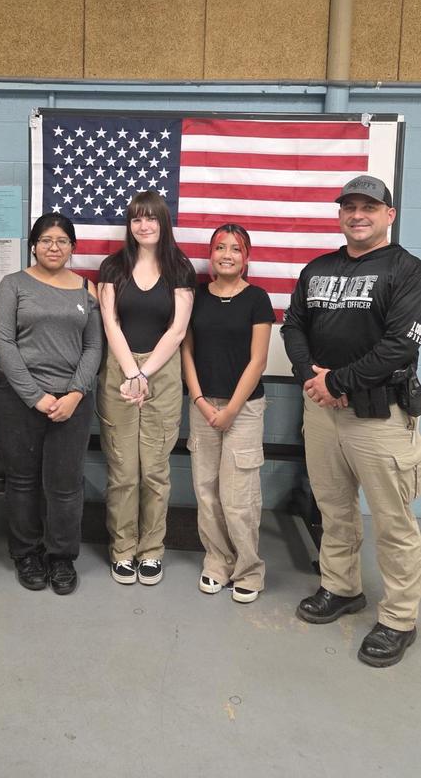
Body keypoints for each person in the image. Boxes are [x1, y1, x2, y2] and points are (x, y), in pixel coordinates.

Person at [282, 174, 421, 667]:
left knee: (392, 522)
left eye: (369, 206)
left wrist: (337, 382)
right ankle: (341, 589)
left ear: (389, 215)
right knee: (335, 509)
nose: (358, 214)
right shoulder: (317, 268)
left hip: (380, 415)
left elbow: (401, 345)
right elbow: (294, 324)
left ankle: (400, 618)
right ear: (340, 214)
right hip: (322, 412)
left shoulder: (408, 271)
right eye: (350, 206)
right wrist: (312, 378)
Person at [0, 213, 102, 595]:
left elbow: (93, 347)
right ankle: (27, 553)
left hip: (72, 400)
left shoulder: (87, 289)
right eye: (46, 240)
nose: (54, 247)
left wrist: (74, 394)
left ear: (73, 247)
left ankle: (62, 556)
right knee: (22, 480)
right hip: (16, 398)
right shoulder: (13, 285)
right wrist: (36, 397)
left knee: (66, 484)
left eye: (62, 241)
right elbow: (4, 345)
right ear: (33, 245)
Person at [97, 191, 195, 585]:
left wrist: (145, 373)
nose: (144, 225)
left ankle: (151, 550)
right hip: (119, 368)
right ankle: (123, 549)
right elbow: (111, 323)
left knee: (154, 470)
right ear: (130, 225)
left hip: (163, 371)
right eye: (137, 218)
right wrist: (129, 372)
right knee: (123, 470)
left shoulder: (180, 268)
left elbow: (178, 330)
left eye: (151, 218)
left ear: (163, 222)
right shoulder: (112, 267)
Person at [182, 224, 275, 603]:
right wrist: (202, 401)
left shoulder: (257, 299)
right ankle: (217, 561)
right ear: (210, 254)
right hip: (203, 407)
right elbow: (186, 351)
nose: (227, 254)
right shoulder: (196, 298)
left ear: (246, 257)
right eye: (220, 247)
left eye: (235, 249)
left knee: (239, 497)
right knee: (207, 492)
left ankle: (249, 569)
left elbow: (258, 360)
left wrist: (232, 410)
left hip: (245, 409)